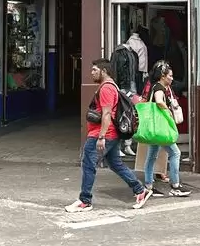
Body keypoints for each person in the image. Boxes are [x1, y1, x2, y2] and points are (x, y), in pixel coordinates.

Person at [65, 59, 153, 213]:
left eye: (94, 70)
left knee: (88, 164)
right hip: (110, 133)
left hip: (103, 133)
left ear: (103, 71)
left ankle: (85, 200)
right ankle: (140, 190)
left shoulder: (106, 88)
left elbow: (106, 114)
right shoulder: (112, 86)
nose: (91, 73)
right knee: (115, 163)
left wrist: (101, 137)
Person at [142, 61, 191, 197]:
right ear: (163, 76)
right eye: (170, 75)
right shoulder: (159, 87)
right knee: (175, 153)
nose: (172, 78)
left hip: (155, 128)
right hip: (161, 128)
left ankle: (148, 186)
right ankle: (175, 186)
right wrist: (167, 110)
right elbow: (158, 101)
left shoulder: (155, 86)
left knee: (151, 156)